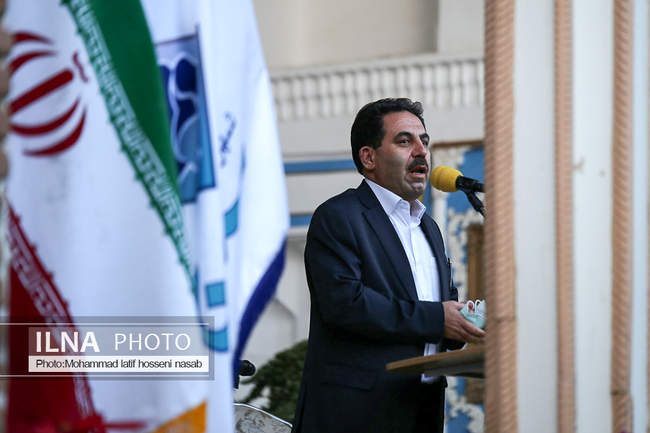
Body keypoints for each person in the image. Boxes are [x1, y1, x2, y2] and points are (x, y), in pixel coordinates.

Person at [291, 98, 486, 433]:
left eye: (424, 141)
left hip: (423, 408)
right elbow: (346, 305)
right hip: (357, 413)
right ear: (369, 157)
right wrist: (439, 318)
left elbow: (439, 312)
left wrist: (467, 323)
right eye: (404, 141)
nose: (421, 152)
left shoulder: (429, 228)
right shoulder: (339, 216)